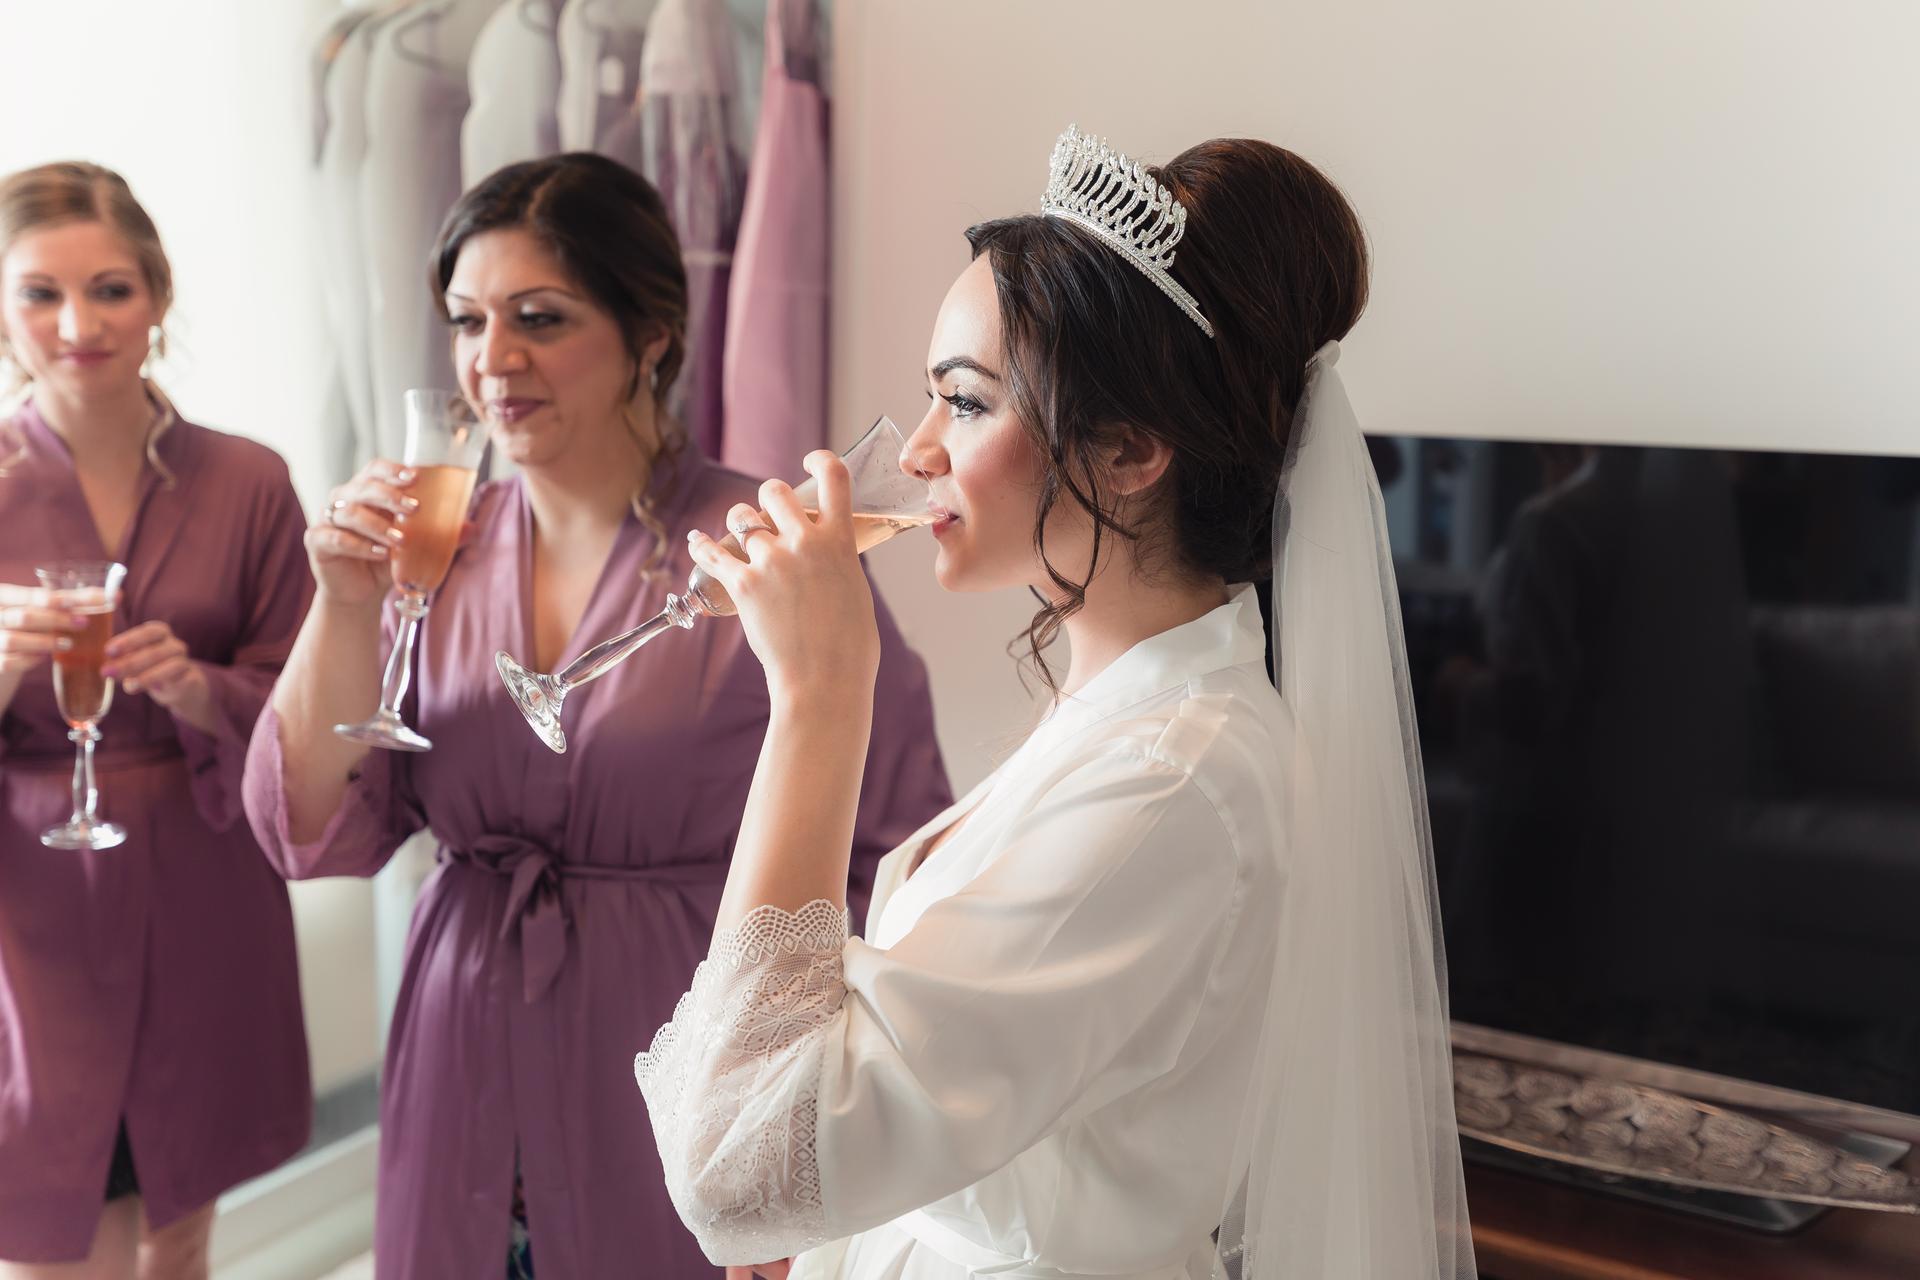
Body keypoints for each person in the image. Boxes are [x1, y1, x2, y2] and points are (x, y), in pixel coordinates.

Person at [636, 127, 1475, 1279]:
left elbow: (732, 1171)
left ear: (1131, 449)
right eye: (931, 399)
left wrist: (820, 697)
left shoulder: (1176, 786)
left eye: (967, 402)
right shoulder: (1124, 721)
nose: (919, 449)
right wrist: (828, 1221)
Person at [241, 152, 951, 1279]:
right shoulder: (437, 551)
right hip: (460, 1056)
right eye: (467, 321)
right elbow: (307, 827)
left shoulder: (765, 552)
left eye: (540, 316)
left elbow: (897, 861)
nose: (492, 359)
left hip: (666, 1072)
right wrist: (340, 600)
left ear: (652, 334)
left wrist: (801, 1135)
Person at [0, 162, 314, 1278]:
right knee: (50, 1235)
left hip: (202, 885)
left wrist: (198, 689)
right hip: (31, 911)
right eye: (39, 292)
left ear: (159, 294)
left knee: (179, 1227)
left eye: (111, 288)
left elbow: (306, 703)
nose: (77, 324)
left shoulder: (249, 481)